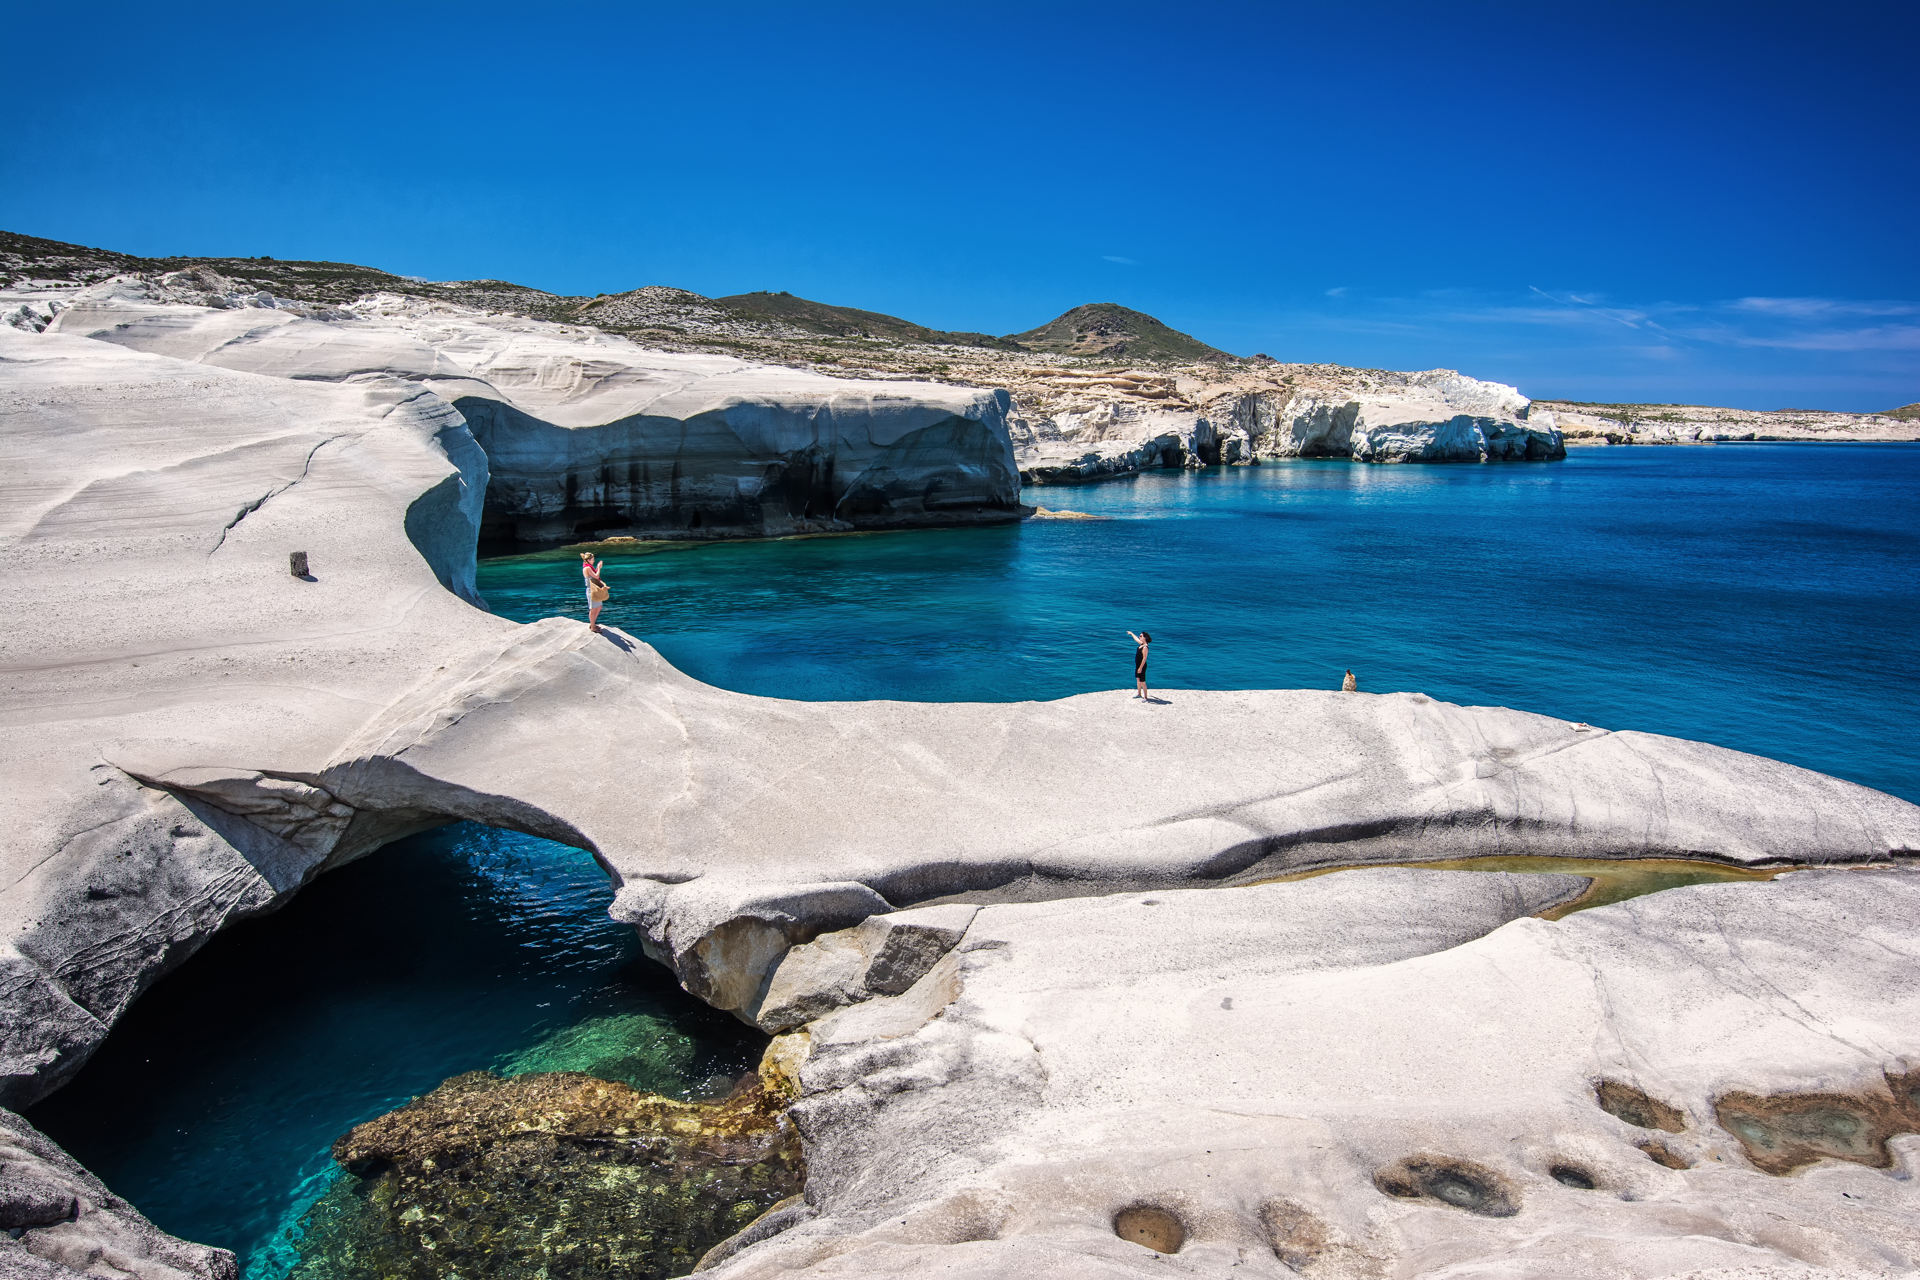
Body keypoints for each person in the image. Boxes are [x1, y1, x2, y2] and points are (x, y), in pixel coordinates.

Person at [580, 551, 608, 633]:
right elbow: (596, 576)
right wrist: (599, 568)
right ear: (588, 560)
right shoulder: (587, 568)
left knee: (599, 607)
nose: (593, 561)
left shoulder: (589, 567)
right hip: (591, 590)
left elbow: (594, 576)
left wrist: (597, 568)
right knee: (593, 609)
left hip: (594, 589)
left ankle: (593, 624)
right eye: (592, 559)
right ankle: (592, 626)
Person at [1127, 630, 1151, 699]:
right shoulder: (1141, 644)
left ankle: (1145, 697)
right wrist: (1131, 634)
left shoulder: (1145, 647)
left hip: (1142, 666)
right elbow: (1136, 639)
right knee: (1138, 680)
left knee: (1143, 682)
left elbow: (1144, 658)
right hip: (1138, 665)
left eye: (1141, 636)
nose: (1139, 637)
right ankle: (1139, 694)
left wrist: (1140, 668)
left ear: (1144, 638)